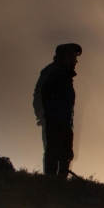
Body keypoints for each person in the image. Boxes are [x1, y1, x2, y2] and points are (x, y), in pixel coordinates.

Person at [33, 43, 81, 178]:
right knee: (54, 150)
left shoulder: (65, 75)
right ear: (64, 56)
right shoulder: (54, 72)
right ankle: (51, 181)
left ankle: (60, 182)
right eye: (72, 55)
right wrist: (42, 114)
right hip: (55, 118)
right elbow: (41, 93)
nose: (76, 60)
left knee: (66, 153)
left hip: (65, 120)